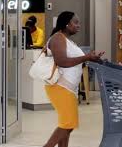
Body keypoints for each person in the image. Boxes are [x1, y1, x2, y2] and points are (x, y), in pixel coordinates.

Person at [44, 11, 104, 147]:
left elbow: (74, 61)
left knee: (67, 125)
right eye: (75, 22)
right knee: (68, 124)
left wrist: (91, 58)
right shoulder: (58, 38)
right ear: (66, 24)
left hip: (68, 89)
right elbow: (62, 61)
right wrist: (86, 57)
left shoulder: (68, 40)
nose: (78, 25)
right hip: (60, 87)